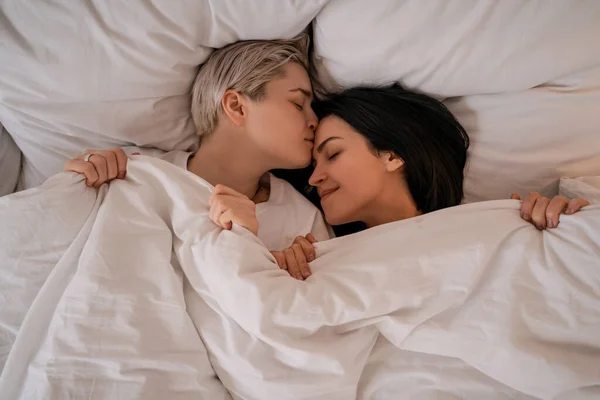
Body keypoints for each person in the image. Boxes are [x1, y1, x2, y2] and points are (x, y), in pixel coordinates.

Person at [206, 85, 590, 276]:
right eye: (314, 164)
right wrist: (281, 274)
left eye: (333, 154)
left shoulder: (495, 222)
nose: (316, 176)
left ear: (392, 154)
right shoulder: (320, 258)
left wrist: (567, 226)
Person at [63, 37, 331, 280]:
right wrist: (79, 182)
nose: (315, 121)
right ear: (236, 106)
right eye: (298, 104)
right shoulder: (136, 171)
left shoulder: (304, 223)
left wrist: (285, 277)